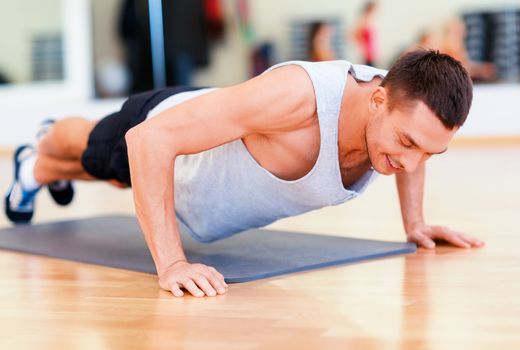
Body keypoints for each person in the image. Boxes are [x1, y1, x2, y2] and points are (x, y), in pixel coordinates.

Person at [4, 49, 485, 298]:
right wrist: (172, 265)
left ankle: (42, 168)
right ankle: (42, 152)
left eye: (429, 153)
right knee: (95, 151)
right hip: (158, 130)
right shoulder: (298, 98)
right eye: (406, 143)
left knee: (112, 175)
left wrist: (415, 223)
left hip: (191, 187)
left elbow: (415, 146)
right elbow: (148, 142)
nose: (412, 162)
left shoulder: (399, 110)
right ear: (377, 100)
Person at [352, 1, 379, 66]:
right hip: (366, 54)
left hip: (371, 53)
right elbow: (354, 35)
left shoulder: (370, 20)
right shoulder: (363, 21)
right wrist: (363, 50)